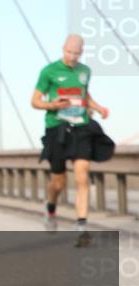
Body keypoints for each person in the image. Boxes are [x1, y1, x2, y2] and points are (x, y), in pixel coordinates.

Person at [31, 34, 112, 247]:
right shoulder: (49, 71)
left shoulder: (85, 71)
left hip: (81, 127)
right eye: (69, 52)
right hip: (57, 129)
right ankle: (50, 207)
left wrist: (98, 107)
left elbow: (85, 95)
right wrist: (52, 105)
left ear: (81, 52)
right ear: (63, 49)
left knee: (82, 176)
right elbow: (35, 101)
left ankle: (81, 228)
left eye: (76, 53)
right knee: (59, 182)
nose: (72, 57)